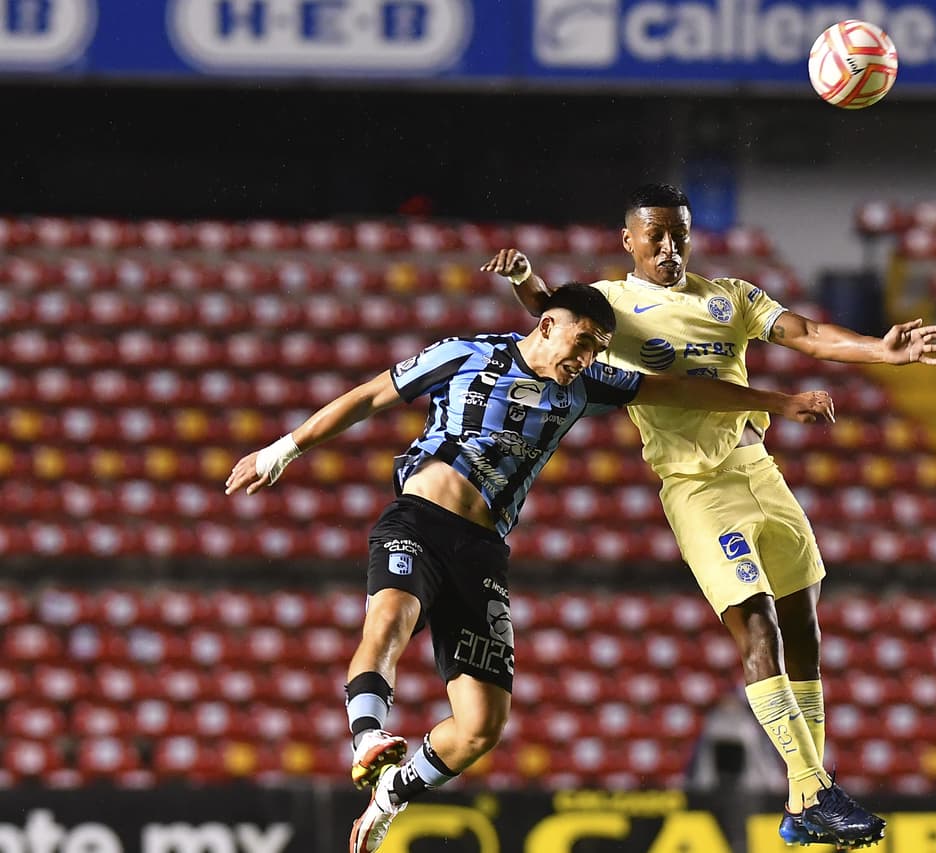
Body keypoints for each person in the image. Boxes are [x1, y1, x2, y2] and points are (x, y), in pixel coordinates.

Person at [223, 284, 836, 853]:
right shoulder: (464, 355)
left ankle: (391, 795)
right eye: (583, 341)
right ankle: (367, 737)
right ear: (547, 326)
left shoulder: (586, 385)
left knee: (482, 726)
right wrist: (284, 450)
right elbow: (369, 396)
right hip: (419, 520)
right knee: (389, 620)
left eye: (598, 347)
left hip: (484, 551)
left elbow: (680, 390)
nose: (587, 357)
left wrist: (778, 403)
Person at [484, 184, 936, 849]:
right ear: (629, 240)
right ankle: (814, 786)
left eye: (679, 234)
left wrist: (882, 349)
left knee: (803, 623)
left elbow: (807, 335)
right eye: (655, 236)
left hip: (759, 470)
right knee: (757, 623)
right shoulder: (612, 305)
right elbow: (553, 318)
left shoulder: (730, 296)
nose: (669, 247)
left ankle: (803, 800)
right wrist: (525, 279)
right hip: (696, 486)